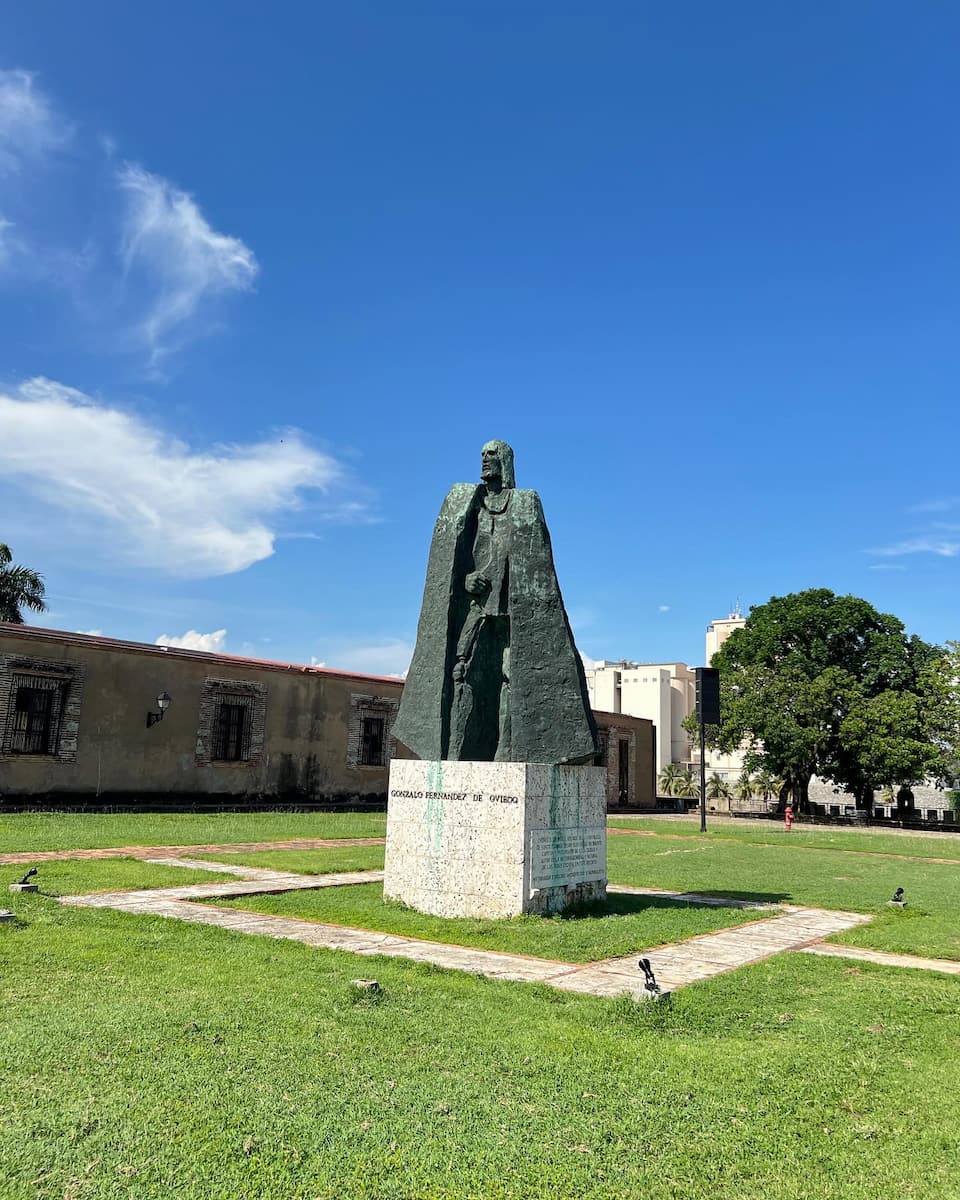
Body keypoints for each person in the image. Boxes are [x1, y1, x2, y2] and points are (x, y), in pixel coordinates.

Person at [393, 440, 596, 764]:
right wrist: (465, 580)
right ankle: (456, 752)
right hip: (476, 608)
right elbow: (454, 560)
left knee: (511, 677)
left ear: (505, 462)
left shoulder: (524, 503)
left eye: (492, 455)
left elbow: (536, 561)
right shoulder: (468, 503)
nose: (485, 460)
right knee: (462, 673)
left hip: (512, 612)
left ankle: (506, 751)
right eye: (482, 455)